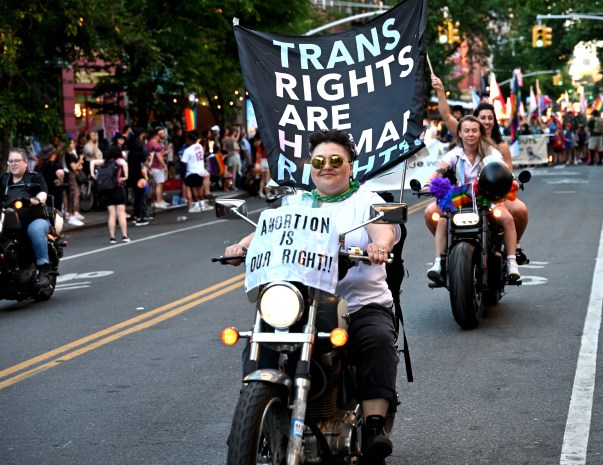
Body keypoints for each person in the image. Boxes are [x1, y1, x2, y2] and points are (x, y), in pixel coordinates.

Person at [223, 129, 399, 463]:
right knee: (259, 339)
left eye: (336, 160)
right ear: (310, 166)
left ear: (350, 166)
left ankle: (374, 426)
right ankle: (256, 415)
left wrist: (379, 245)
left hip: (359, 303)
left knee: (375, 337)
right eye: (319, 160)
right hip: (300, 304)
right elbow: (266, 230)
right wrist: (239, 248)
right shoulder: (296, 202)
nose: (327, 166)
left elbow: (384, 229)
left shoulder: (367, 199)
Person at [431, 77, 529, 262]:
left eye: (490, 118)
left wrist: (512, 183)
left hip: (493, 193)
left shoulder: (497, 148)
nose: (486, 121)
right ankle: (445, 252)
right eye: (482, 118)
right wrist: (440, 90)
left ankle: (512, 247)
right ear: (463, 130)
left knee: (520, 210)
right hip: (462, 193)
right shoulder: (462, 143)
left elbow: (507, 172)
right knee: (433, 214)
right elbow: (446, 116)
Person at [422, 115, 520, 281]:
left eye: (474, 130)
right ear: (460, 133)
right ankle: (439, 262)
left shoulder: (490, 152)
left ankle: (512, 262)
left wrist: (513, 181)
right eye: (466, 130)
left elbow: (503, 169)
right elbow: (440, 169)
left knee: (507, 219)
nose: (471, 134)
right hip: (460, 198)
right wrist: (428, 184)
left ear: (480, 133)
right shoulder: (455, 154)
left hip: (487, 197)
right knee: (442, 220)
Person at [1, 148, 53, 286]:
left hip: (34, 219)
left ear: (25, 162)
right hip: (8, 221)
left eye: (17, 160)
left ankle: (44, 270)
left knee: (35, 231)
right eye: (10, 161)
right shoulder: (4, 179)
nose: (13, 164)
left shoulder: (34, 177)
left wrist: (37, 199)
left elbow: (43, 193)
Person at [91, 145, 130, 243]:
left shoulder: (105, 162)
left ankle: (112, 237)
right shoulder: (120, 161)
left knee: (111, 214)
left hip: (106, 190)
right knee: (121, 213)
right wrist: (124, 178)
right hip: (117, 188)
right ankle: (124, 236)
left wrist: (93, 175)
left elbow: (92, 162)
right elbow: (125, 172)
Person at [180, 131, 214, 213]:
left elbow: (183, 161)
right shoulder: (199, 146)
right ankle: (202, 204)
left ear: (190, 140)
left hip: (192, 171)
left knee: (193, 188)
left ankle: (196, 204)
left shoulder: (187, 150)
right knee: (200, 187)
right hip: (200, 170)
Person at [64, 136, 85, 226]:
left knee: (76, 194)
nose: (73, 144)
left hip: (75, 176)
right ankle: (72, 215)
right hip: (71, 176)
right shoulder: (69, 155)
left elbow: (79, 166)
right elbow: (74, 167)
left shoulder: (73, 154)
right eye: (71, 143)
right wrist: (80, 160)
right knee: (73, 194)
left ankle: (74, 214)